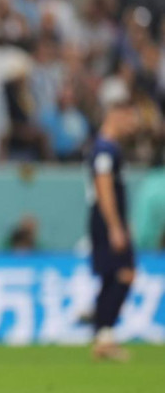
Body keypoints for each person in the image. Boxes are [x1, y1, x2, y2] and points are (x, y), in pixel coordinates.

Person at [87, 80, 140, 361]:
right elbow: (103, 187)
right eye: (129, 116)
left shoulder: (108, 148)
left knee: (114, 274)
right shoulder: (106, 149)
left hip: (107, 219)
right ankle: (103, 330)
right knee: (123, 273)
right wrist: (115, 226)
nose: (132, 122)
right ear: (116, 115)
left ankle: (102, 329)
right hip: (105, 219)